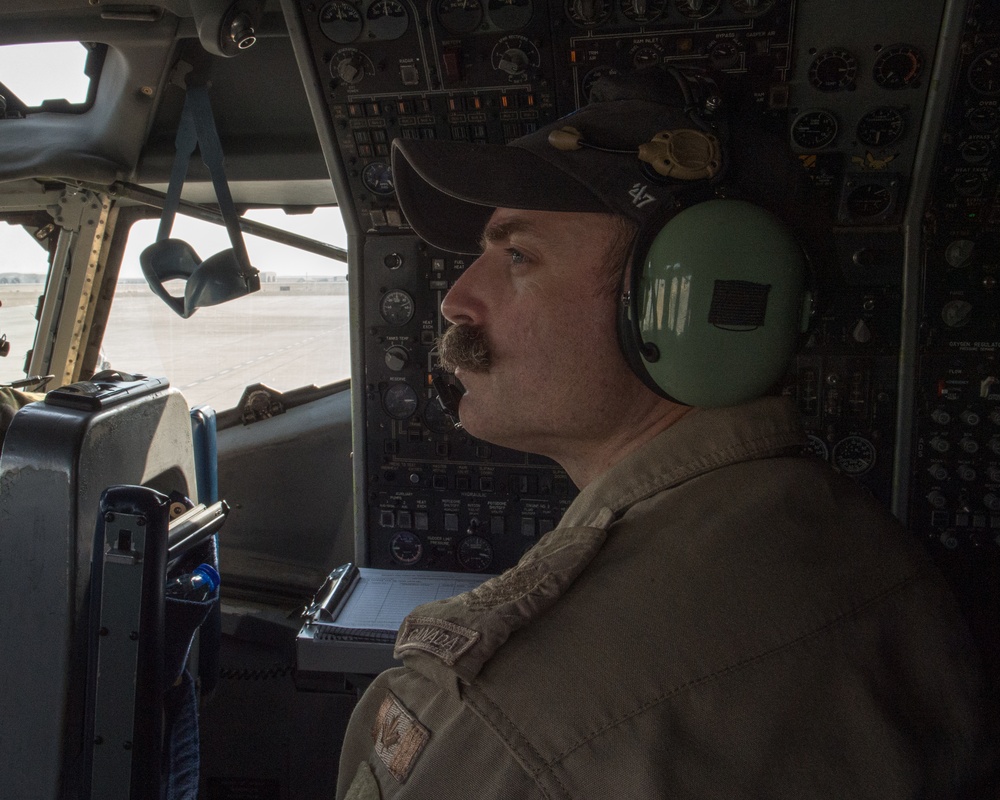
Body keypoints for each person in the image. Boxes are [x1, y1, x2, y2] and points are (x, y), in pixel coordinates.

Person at [335, 69, 989, 799]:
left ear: (688, 304)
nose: (456, 300)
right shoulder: (879, 550)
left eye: (516, 256)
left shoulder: (505, 723)